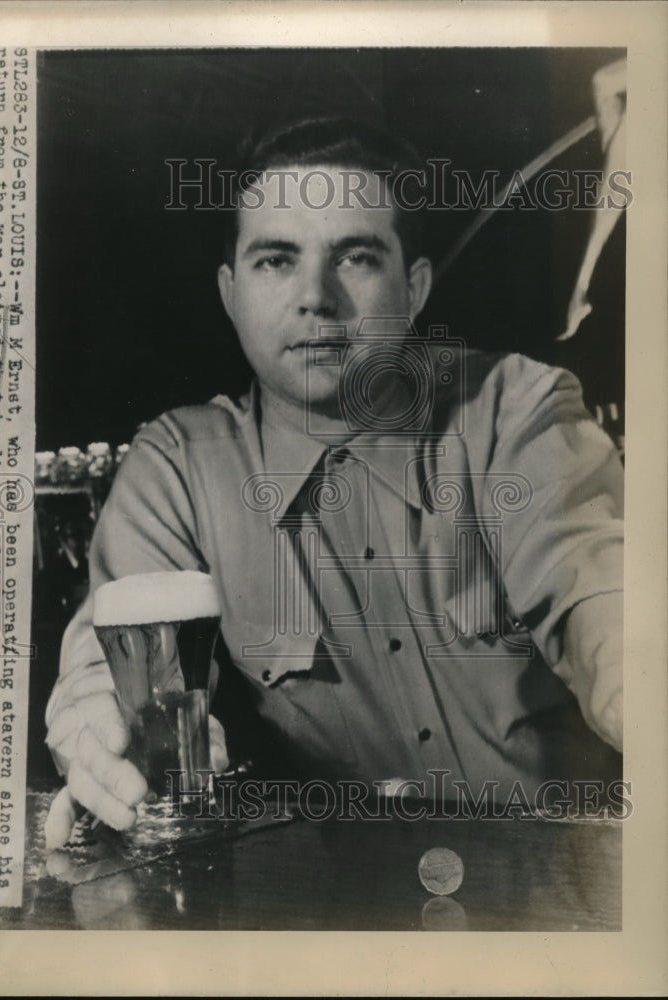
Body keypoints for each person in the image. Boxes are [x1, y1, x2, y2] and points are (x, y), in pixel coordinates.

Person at [44, 118, 623, 846]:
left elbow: (599, 588)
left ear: (413, 288)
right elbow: (111, 664)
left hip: (568, 893)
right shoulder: (178, 465)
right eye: (275, 261)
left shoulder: (515, 408)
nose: (314, 296)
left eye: (353, 256)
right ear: (230, 293)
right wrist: (103, 742)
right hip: (340, 922)